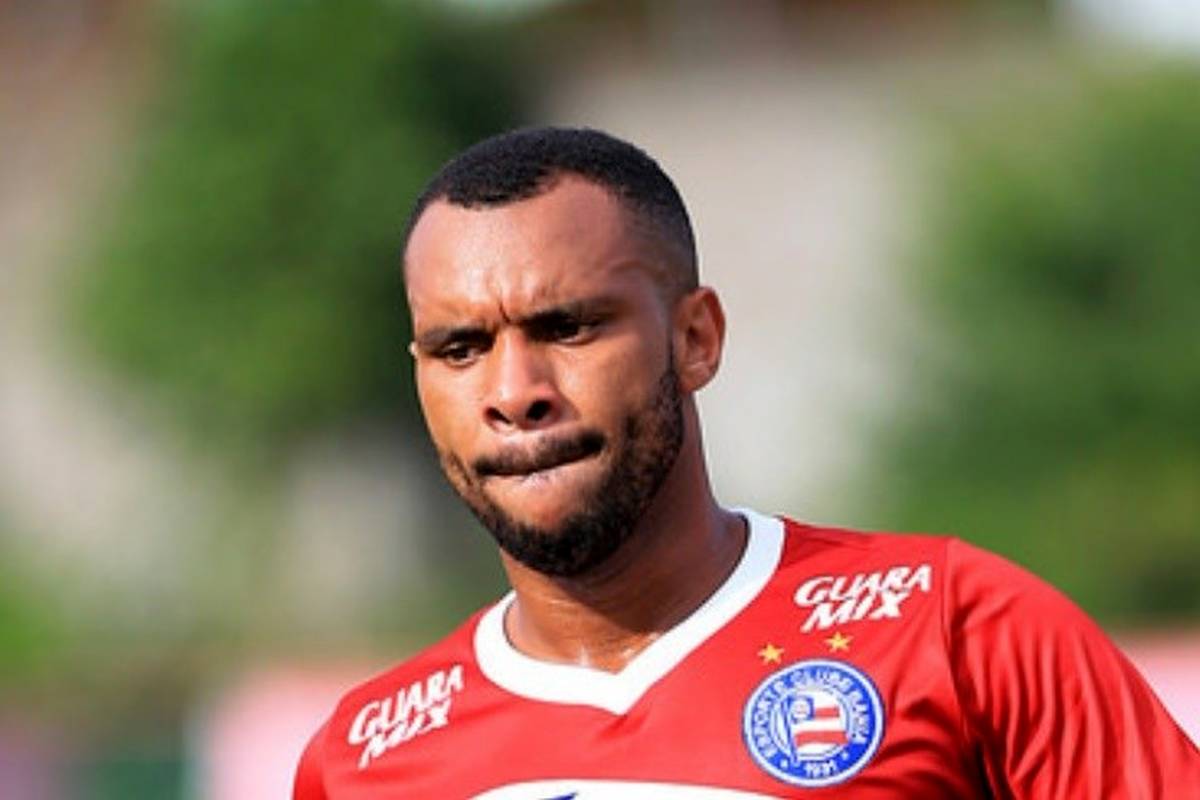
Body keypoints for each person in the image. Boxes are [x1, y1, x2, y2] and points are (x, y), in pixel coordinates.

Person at [293, 127, 1199, 799]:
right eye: (459, 348)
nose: (514, 391)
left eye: (568, 328)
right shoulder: (361, 761)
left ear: (696, 338)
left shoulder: (956, 631)